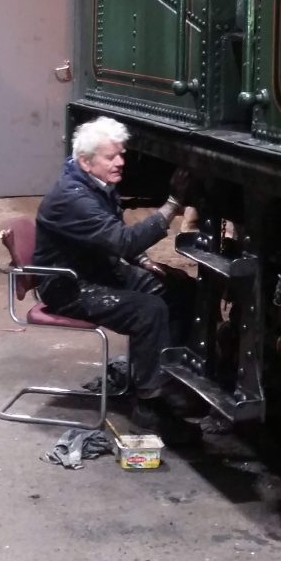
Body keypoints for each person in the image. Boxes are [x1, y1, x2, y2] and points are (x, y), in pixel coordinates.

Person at [34, 115, 200, 442]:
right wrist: (172, 204)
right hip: (69, 284)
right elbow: (122, 240)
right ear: (85, 160)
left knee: (180, 289)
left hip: (99, 268)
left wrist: (142, 262)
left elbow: (113, 236)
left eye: (121, 154)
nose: (121, 162)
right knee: (148, 310)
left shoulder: (96, 185)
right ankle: (149, 408)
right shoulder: (73, 198)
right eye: (112, 157)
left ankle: (169, 380)